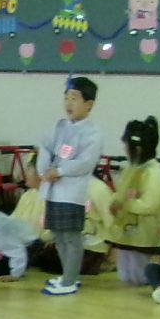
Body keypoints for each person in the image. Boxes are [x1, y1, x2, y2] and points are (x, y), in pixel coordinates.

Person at [29, 76, 103, 297]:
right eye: (66, 98)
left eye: (75, 98)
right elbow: (44, 147)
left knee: (71, 236)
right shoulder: (58, 126)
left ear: (89, 104)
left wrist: (59, 171)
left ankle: (71, 280)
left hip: (72, 192)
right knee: (58, 235)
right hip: (52, 190)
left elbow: (85, 162)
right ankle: (66, 275)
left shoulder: (92, 133)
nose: (69, 103)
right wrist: (44, 170)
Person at [106, 116, 160, 287]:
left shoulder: (153, 173)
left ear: (138, 149)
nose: (125, 149)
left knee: (140, 276)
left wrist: (125, 204)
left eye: (127, 145)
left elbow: (150, 204)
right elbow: (121, 192)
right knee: (125, 275)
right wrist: (114, 202)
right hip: (127, 229)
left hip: (144, 230)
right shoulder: (131, 168)